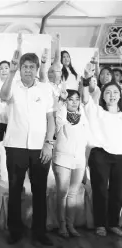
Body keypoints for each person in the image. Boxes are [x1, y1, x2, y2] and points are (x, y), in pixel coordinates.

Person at [0, 34, 55, 246]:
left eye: (32, 67)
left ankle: (39, 231)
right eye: (25, 66)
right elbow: (3, 96)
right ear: (20, 68)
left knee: (40, 191)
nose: (28, 70)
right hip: (15, 147)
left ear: (36, 69)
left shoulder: (45, 89)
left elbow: (51, 118)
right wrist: (10, 73)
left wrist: (49, 143)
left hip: (40, 148)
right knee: (15, 190)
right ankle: (15, 230)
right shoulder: (12, 85)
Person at [82, 63, 122, 237]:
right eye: (108, 93)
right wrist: (85, 79)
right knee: (100, 190)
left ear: (120, 95)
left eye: (115, 93)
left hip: (120, 156)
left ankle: (113, 223)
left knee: (118, 191)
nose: (112, 96)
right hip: (100, 154)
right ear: (103, 96)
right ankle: (100, 224)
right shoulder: (96, 110)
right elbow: (85, 98)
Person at [53, 88, 89, 238]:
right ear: (65, 101)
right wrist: (61, 100)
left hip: (79, 159)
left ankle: (71, 225)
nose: (74, 102)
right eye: (70, 99)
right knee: (62, 193)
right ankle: (62, 225)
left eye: (76, 99)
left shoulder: (83, 115)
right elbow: (58, 114)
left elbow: (86, 137)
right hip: (62, 158)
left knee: (73, 194)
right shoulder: (61, 115)